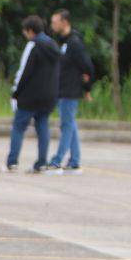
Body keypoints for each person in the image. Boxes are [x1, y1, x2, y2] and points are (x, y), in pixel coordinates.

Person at [2, 14, 60, 174]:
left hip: (30, 96)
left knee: (18, 127)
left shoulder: (33, 45)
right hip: (49, 96)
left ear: (29, 31)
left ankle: (12, 162)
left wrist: (16, 92)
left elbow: (24, 71)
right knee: (42, 127)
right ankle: (41, 162)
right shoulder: (54, 46)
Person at [49, 9, 95, 173]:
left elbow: (87, 66)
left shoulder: (74, 42)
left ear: (65, 22)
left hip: (70, 90)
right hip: (62, 88)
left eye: (55, 22)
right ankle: (74, 161)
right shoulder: (62, 42)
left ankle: (57, 160)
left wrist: (87, 88)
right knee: (71, 124)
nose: (52, 25)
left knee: (66, 125)